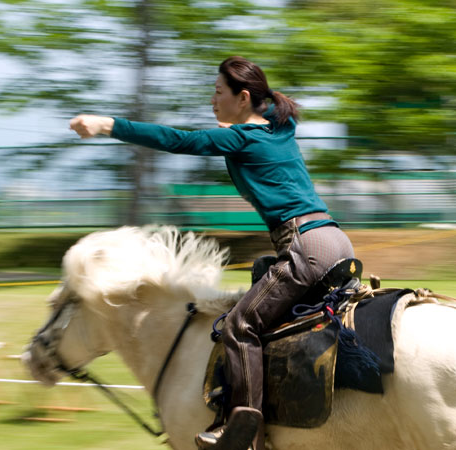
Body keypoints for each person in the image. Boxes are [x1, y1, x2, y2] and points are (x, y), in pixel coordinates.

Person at [70, 56, 355, 450]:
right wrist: (240, 114)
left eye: (218, 92)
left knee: (239, 327)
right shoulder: (281, 128)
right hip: (334, 240)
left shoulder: (241, 138)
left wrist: (108, 125)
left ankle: (244, 433)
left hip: (305, 246)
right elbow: (265, 110)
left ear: (242, 97)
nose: (211, 99)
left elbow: (177, 140)